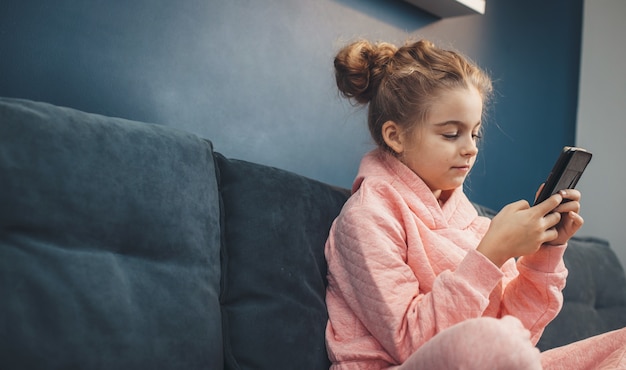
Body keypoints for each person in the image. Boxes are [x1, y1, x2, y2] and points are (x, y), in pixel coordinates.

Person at [324, 39, 626, 370]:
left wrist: (544, 254)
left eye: (475, 134)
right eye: (452, 134)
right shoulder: (367, 217)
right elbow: (411, 344)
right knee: (492, 341)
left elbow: (519, 335)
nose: (470, 149)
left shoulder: (472, 222)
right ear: (396, 136)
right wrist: (490, 255)